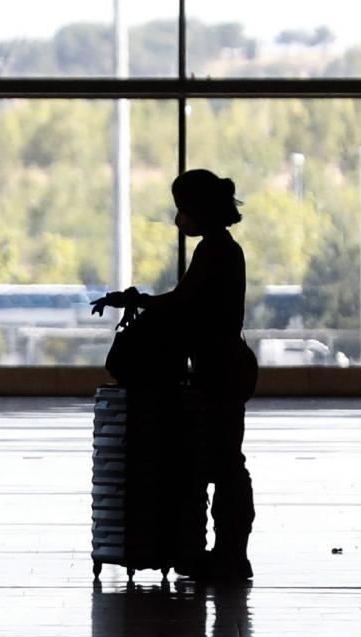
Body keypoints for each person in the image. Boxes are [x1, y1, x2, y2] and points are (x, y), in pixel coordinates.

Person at [91, 169, 259, 580]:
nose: (177, 220)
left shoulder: (215, 251)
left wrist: (136, 301)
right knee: (224, 461)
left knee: (222, 463)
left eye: (182, 210)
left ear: (198, 211)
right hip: (227, 366)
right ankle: (227, 554)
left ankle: (230, 557)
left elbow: (183, 303)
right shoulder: (222, 249)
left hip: (219, 370)